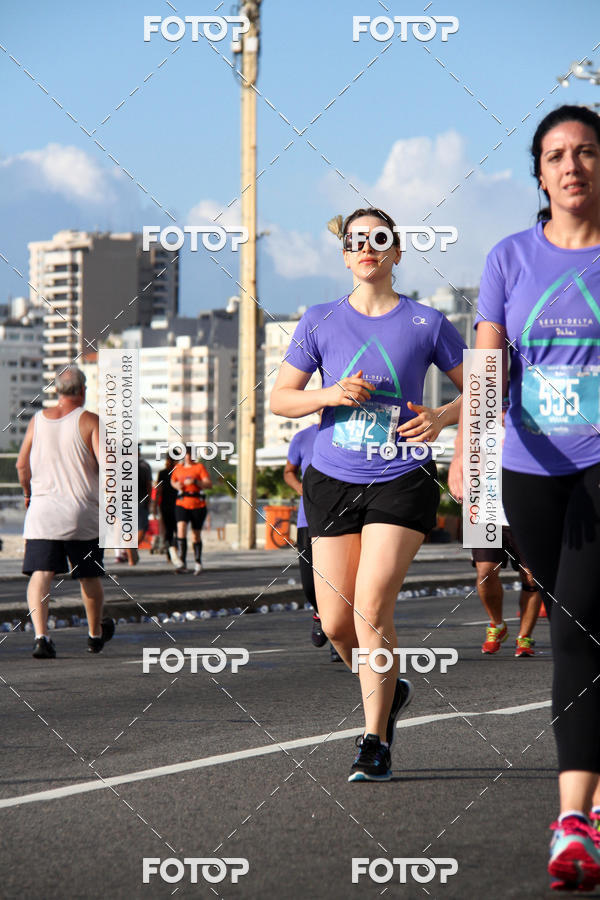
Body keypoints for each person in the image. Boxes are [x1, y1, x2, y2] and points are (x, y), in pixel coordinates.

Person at [449, 105, 600, 891]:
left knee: (575, 630)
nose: (571, 166)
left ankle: (573, 818)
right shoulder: (510, 258)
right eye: (555, 156)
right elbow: (487, 365)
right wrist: (468, 453)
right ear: (538, 174)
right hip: (529, 466)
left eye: (584, 152)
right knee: (581, 624)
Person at [271, 207, 465, 781]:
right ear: (346, 253)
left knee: (372, 605)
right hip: (331, 478)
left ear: (396, 253)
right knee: (335, 622)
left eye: (379, 240)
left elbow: (485, 386)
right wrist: (328, 394)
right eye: (356, 240)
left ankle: (373, 739)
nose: (367, 248)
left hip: (402, 477)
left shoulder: (427, 323)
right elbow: (282, 399)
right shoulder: (319, 319)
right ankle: (389, 683)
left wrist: (441, 417)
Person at [15, 365, 115, 658]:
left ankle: (41, 637)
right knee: (88, 575)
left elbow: (22, 465)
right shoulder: (90, 421)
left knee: (41, 573)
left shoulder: (37, 421)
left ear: (57, 391)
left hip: (42, 513)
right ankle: (95, 635)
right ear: (82, 391)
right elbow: (109, 468)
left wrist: (28, 494)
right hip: (81, 513)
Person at [472, 416, 543, 657]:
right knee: (484, 572)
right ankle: (497, 624)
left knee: (532, 577)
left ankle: (525, 637)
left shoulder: (537, 424)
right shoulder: (481, 424)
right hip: (487, 513)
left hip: (528, 513)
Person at [284, 420, 342, 662]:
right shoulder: (302, 437)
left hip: (342, 518)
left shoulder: (348, 433)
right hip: (308, 519)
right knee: (310, 584)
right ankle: (319, 611)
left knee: (341, 582)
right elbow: (289, 472)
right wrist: (301, 488)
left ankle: (339, 639)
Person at [170, 447, 212, 574]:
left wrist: (195, 481)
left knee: (195, 534)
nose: (187, 457)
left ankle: (198, 561)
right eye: (185, 454)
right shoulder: (178, 468)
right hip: (182, 502)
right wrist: (176, 485)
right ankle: (182, 561)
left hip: (197, 503)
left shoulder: (199, 467)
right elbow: (173, 480)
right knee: (181, 528)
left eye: (189, 454)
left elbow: (208, 484)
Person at [154, 453, 180, 566]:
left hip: (176, 505)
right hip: (167, 506)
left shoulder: (177, 472)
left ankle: (174, 554)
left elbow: (158, 490)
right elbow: (158, 490)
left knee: (175, 531)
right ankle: (172, 554)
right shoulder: (163, 473)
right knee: (171, 531)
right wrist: (155, 506)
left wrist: (155, 506)